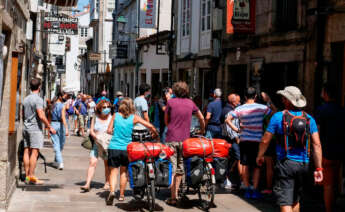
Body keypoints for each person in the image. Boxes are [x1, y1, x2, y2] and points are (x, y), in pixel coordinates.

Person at [256, 86, 323, 212]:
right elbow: (317, 145)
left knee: (285, 201)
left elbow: (265, 139)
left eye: (283, 98)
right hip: (304, 164)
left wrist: (260, 155)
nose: (282, 100)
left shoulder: (277, 117)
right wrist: (319, 168)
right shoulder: (310, 119)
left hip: (285, 164)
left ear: (287, 100)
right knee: (295, 200)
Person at [105, 98, 158, 205]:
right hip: (127, 149)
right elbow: (150, 125)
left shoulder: (115, 115)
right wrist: (155, 134)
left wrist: (115, 132)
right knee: (124, 172)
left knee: (113, 172)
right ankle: (121, 195)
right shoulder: (134, 118)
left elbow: (109, 130)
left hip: (114, 147)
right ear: (131, 106)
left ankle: (111, 192)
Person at [226, 87, 273, 199]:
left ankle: (247, 189)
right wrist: (268, 100)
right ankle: (254, 190)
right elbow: (274, 114)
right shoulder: (262, 108)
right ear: (256, 96)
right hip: (257, 141)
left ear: (245, 97)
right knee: (257, 166)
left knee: (245, 165)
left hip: (245, 140)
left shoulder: (239, 108)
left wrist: (237, 130)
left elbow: (227, 119)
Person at [164, 81, 205, 206]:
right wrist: (202, 129)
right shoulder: (191, 103)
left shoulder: (170, 102)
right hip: (185, 140)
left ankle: (173, 196)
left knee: (172, 166)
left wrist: (171, 127)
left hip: (171, 138)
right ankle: (177, 192)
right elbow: (201, 117)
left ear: (175, 91)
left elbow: (166, 120)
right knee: (180, 167)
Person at [315, 84, 345, 212]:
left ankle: (328, 209)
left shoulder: (321, 110)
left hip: (325, 150)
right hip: (339, 149)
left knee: (327, 184)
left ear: (326, 94)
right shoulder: (341, 109)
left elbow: (317, 131)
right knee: (335, 180)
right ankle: (333, 204)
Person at [23, 78, 56, 184]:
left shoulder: (26, 99)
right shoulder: (38, 99)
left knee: (26, 150)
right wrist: (49, 126)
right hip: (35, 129)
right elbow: (41, 115)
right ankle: (32, 176)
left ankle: (27, 177)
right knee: (35, 152)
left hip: (26, 127)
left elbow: (22, 114)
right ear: (39, 87)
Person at [81, 100, 113, 192]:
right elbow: (91, 130)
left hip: (106, 144)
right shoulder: (95, 117)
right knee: (92, 162)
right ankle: (87, 184)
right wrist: (96, 137)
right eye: (104, 107)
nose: (106, 109)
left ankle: (107, 182)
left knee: (107, 164)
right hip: (96, 143)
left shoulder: (112, 118)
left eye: (108, 107)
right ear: (99, 108)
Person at [223, 93, 242, 190]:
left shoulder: (234, 111)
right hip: (234, 140)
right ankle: (240, 180)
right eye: (238, 101)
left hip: (234, 139)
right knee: (238, 158)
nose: (239, 103)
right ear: (233, 102)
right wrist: (237, 138)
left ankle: (232, 178)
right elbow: (229, 129)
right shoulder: (230, 112)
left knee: (233, 159)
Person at [50, 92, 70, 170]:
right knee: (59, 145)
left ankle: (56, 161)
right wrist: (67, 128)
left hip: (53, 124)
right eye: (65, 96)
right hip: (61, 125)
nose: (65, 98)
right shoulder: (62, 106)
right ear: (60, 96)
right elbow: (63, 118)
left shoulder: (52, 105)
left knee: (57, 144)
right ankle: (60, 162)